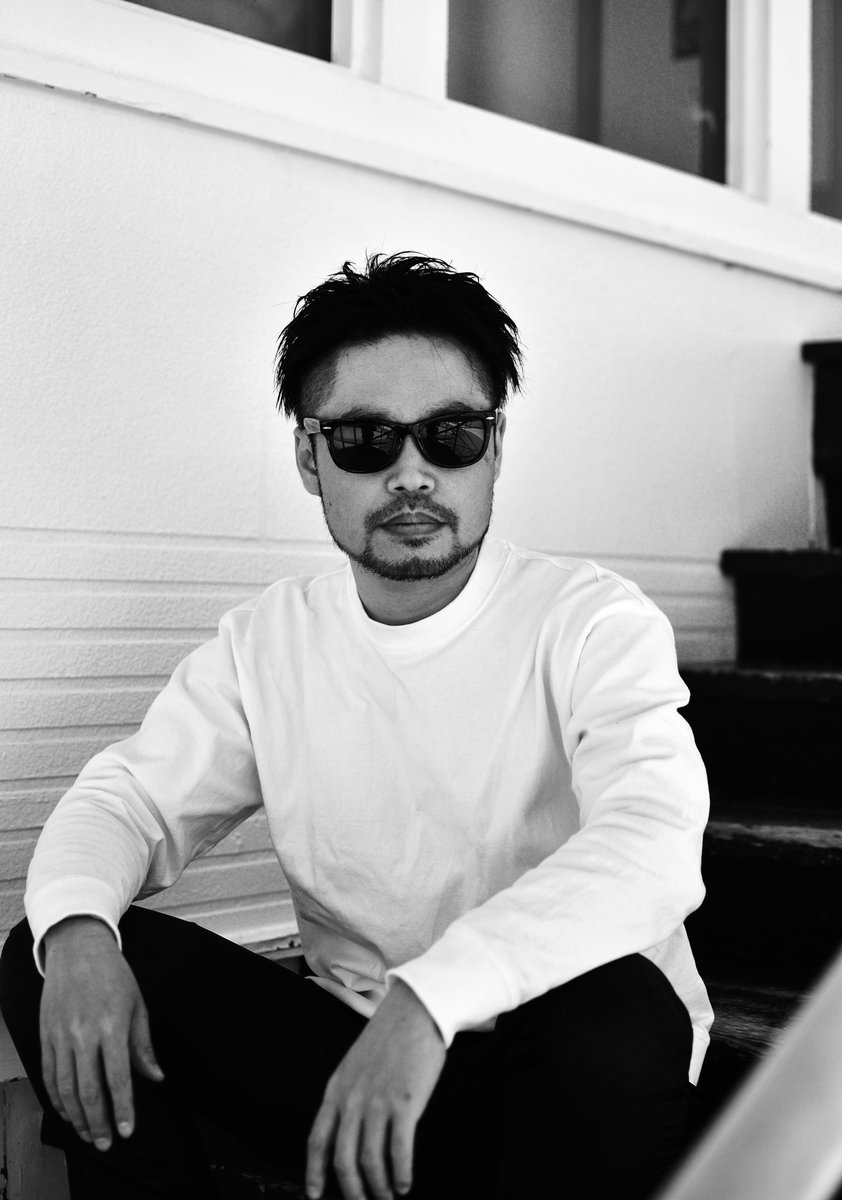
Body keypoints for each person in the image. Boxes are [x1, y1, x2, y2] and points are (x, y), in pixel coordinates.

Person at [0, 252, 713, 1200]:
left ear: (495, 447)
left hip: (554, 1070)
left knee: (612, 1006)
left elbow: (652, 844)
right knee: (54, 946)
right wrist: (80, 933)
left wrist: (434, 995)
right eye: (367, 441)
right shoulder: (268, 642)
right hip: (357, 1056)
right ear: (310, 457)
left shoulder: (591, 622)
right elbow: (126, 802)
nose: (412, 475)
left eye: (451, 436)